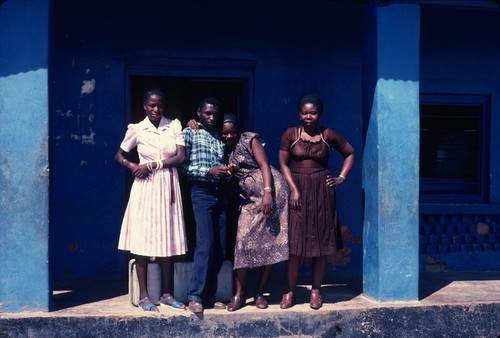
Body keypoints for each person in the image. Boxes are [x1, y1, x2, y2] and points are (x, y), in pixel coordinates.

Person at [278, 93, 355, 310]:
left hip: (322, 192)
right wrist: (293, 189)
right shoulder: (290, 134)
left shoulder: (328, 135)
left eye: (312, 112)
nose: (308, 116)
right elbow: (283, 163)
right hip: (298, 191)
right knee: (295, 245)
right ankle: (290, 292)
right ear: (299, 113)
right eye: (304, 112)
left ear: (319, 114)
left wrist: (341, 177)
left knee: (320, 245)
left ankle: (315, 291)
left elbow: (350, 153)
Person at [115, 88, 187, 312]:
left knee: (168, 238)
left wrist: (154, 164)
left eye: (160, 105)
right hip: (145, 187)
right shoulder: (137, 129)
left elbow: (180, 157)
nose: (156, 109)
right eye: (152, 105)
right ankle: (145, 295)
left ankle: (166, 293)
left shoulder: (173, 125)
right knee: (143, 240)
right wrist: (133, 166)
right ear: (145, 106)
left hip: (167, 184)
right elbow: (119, 155)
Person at [220, 114, 290, 312]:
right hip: (249, 200)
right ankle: (239, 295)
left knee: (270, 242)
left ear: (238, 130)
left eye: (232, 132)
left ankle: (260, 292)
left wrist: (268, 192)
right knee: (242, 242)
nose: (228, 136)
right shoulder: (223, 148)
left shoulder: (249, 139)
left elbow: (263, 165)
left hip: (272, 193)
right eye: (225, 133)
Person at [182, 97, 230, 314]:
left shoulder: (219, 137)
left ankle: (209, 295)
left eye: (215, 114)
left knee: (220, 247)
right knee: (205, 244)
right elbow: (184, 168)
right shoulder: (190, 132)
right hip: (201, 193)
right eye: (208, 113)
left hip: (219, 193)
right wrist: (207, 171)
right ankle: (195, 296)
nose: (211, 117)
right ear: (199, 113)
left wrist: (226, 172)